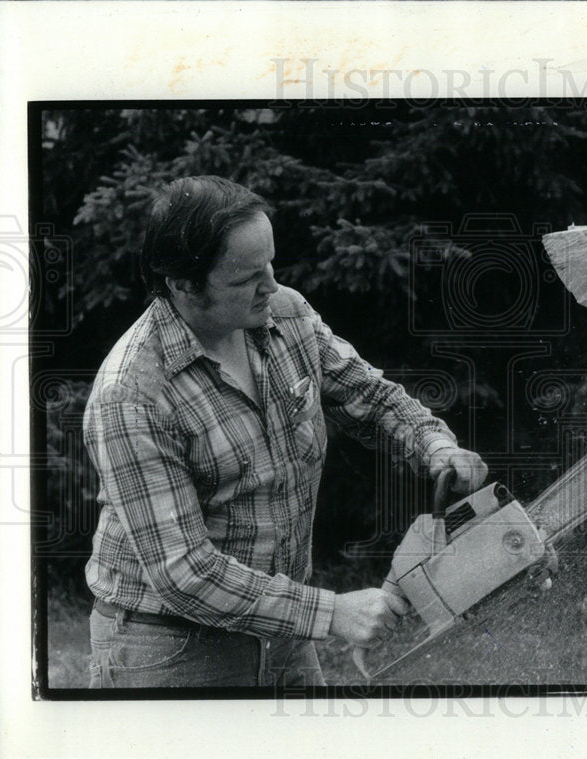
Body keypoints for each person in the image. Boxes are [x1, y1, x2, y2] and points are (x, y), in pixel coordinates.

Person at [83, 175, 487, 688]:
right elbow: (184, 571)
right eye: (246, 278)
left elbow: (372, 394)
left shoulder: (286, 315)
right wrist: (331, 612)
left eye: (270, 264)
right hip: (171, 647)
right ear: (183, 285)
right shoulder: (133, 394)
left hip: (283, 631)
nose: (270, 286)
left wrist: (433, 443)